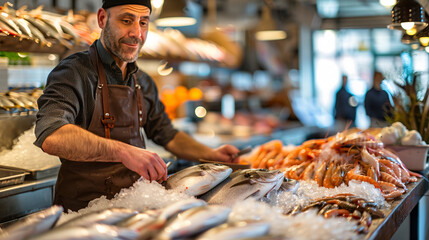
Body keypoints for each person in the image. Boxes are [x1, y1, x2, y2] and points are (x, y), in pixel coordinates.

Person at [34, 0, 239, 212]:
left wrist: (211, 153)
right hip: (83, 213)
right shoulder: (74, 72)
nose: (137, 33)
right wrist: (123, 152)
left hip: (134, 207)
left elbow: (166, 134)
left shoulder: (143, 81)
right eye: (126, 20)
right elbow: (51, 135)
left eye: (143, 23)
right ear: (102, 19)